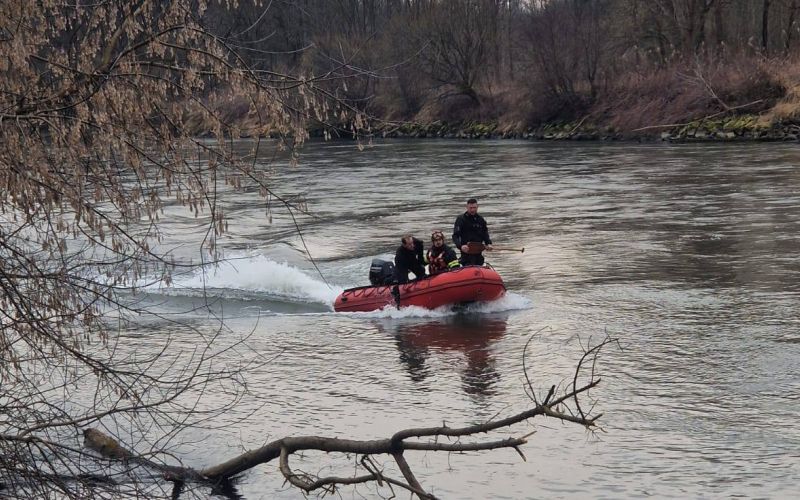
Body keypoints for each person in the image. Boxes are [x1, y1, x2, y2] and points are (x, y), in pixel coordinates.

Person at [452, 198, 492, 266]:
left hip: (478, 252)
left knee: (479, 264)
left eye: (474, 208)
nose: (473, 210)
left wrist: (488, 243)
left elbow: (485, 233)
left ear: (477, 207)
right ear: (467, 207)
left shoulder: (481, 219)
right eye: (470, 208)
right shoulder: (461, 219)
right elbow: (455, 236)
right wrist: (460, 246)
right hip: (466, 253)